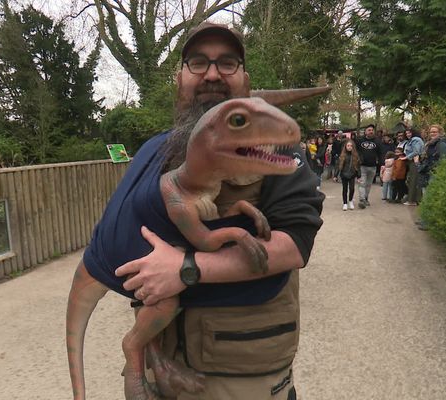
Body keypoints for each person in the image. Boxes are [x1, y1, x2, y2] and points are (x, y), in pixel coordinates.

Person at [76, 22, 324, 400]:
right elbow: (134, 232)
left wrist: (185, 269)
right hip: (165, 365)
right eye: (197, 62)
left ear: (245, 79)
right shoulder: (158, 152)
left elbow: (295, 244)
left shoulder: (271, 150)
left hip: (239, 371)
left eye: (227, 63)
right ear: (179, 79)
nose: (211, 74)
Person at [355, 124, 382, 209]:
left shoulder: (377, 141)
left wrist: (380, 164)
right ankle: (362, 200)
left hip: (373, 166)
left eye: (372, 130)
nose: (371, 131)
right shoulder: (359, 141)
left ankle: (366, 198)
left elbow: (380, 153)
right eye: (369, 130)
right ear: (365, 131)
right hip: (362, 166)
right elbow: (355, 151)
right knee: (362, 183)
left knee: (368, 184)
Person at [399, 127, 424, 206]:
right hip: (411, 162)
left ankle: (412, 200)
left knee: (413, 181)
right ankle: (414, 199)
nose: (408, 135)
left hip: (415, 162)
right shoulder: (411, 140)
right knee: (410, 180)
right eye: (406, 133)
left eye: (409, 133)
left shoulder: (415, 139)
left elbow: (416, 151)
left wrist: (406, 157)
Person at [336, 139, 360, 211]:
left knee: (352, 189)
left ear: (353, 147)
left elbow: (358, 167)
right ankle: (345, 203)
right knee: (345, 189)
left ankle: (350, 201)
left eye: (351, 146)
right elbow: (338, 165)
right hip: (344, 174)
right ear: (345, 146)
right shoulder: (342, 155)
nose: (349, 147)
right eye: (348, 145)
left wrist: (359, 176)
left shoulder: (355, 156)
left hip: (352, 174)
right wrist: (335, 175)